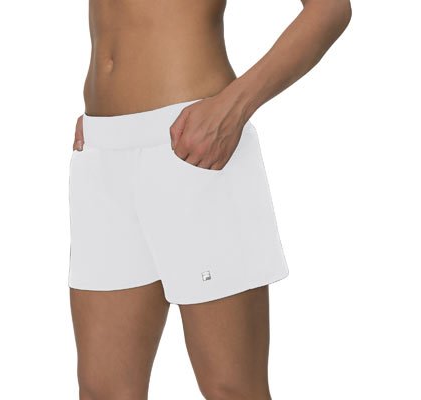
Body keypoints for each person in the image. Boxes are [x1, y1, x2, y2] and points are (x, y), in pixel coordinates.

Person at [68, 0, 352, 398]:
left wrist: (233, 107)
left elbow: (330, 9)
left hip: (195, 147)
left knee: (231, 388)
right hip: (102, 151)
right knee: (103, 391)